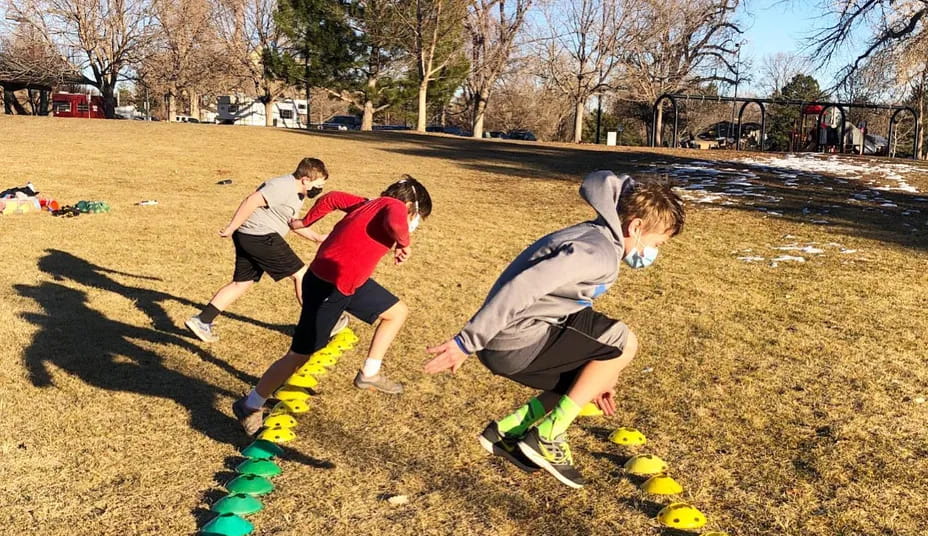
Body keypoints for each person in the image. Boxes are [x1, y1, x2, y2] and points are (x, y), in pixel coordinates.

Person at [424, 170, 684, 489]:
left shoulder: (593, 237)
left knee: (591, 372)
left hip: (516, 339)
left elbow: (570, 306)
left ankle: (507, 431)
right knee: (624, 341)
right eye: (657, 243)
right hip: (516, 342)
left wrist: (602, 376)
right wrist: (467, 341)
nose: (654, 251)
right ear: (636, 226)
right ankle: (547, 436)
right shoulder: (596, 252)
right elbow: (523, 288)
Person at [232, 175, 432, 435]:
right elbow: (395, 219)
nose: (413, 224)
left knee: (396, 312)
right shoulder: (393, 206)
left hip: (349, 281)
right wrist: (404, 245)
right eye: (417, 218)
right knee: (300, 354)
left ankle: (369, 373)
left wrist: (306, 221)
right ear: (411, 208)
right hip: (330, 285)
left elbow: (333, 197)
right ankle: (250, 404)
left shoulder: (367, 203)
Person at [184, 157, 330, 343]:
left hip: (251, 236)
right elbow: (250, 201)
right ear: (306, 180)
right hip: (260, 236)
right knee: (302, 275)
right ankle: (317, 324)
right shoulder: (282, 186)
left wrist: (317, 238)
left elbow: (291, 222)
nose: (319, 189)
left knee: (242, 282)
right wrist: (231, 227)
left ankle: (202, 321)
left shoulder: (297, 193)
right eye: (319, 184)